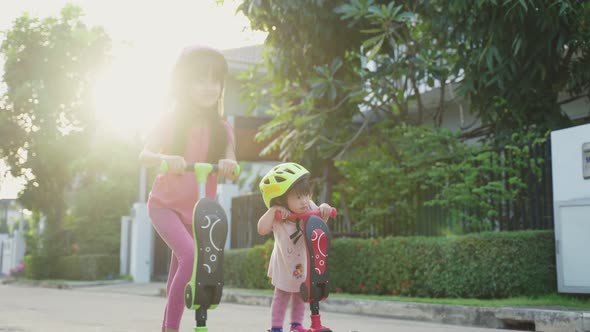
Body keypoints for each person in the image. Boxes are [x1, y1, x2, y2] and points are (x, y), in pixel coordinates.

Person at [139, 45, 238, 332]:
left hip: (198, 213)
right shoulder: (171, 120)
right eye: (200, 80)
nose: (209, 87)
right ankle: (171, 329)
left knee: (179, 271)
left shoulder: (223, 128)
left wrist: (229, 165)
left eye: (214, 80)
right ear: (184, 84)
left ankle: (166, 327)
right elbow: (144, 156)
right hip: (165, 206)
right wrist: (165, 158)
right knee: (191, 256)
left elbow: (231, 162)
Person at [257, 162, 333, 332]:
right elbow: (261, 229)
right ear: (281, 199)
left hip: (303, 265)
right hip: (284, 265)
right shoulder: (278, 216)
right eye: (298, 197)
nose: (305, 201)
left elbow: (319, 224)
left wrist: (324, 209)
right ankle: (276, 328)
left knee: (301, 295)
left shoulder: (310, 207)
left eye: (306, 195)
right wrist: (273, 210)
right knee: (281, 296)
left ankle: (296, 326)